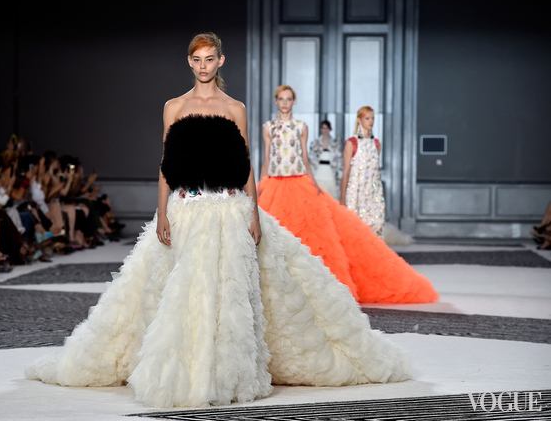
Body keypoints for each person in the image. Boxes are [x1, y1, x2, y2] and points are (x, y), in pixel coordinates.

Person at [26, 32, 411, 408]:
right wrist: (161, 212)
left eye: (209, 59)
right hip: (185, 208)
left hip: (229, 209)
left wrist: (254, 213)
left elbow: (245, 165)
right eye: (197, 59)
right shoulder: (174, 107)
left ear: (220, 61)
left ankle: (225, 373)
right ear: (189, 62)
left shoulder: (235, 108)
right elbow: (166, 163)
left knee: (231, 294)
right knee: (180, 294)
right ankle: (184, 371)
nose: (203, 66)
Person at [257, 85, 438, 304]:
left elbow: (304, 157)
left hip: (299, 181)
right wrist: (261, 182)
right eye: (281, 99)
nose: (285, 103)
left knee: (310, 235)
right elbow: (267, 157)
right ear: (276, 101)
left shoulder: (301, 127)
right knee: (275, 235)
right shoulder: (268, 127)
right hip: (274, 182)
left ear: (293, 101)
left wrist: (313, 182)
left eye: (288, 99)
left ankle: (316, 287)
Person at [340, 106, 385, 237]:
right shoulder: (351, 143)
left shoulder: (376, 143)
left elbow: (375, 171)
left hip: (374, 193)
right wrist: (342, 198)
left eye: (372, 119)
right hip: (356, 193)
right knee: (355, 231)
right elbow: (346, 171)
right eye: (367, 118)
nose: (371, 121)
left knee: (376, 229)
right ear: (359, 120)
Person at [308, 120, 343, 199]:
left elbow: (340, 160)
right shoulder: (314, 143)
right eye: (323, 128)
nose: (325, 130)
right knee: (317, 197)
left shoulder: (336, 144)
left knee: (331, 197)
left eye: (327, 128)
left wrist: (340, 175)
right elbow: (310, 159)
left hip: (331, 173)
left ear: (330, 129)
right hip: (318, 172)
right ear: (321, 129)